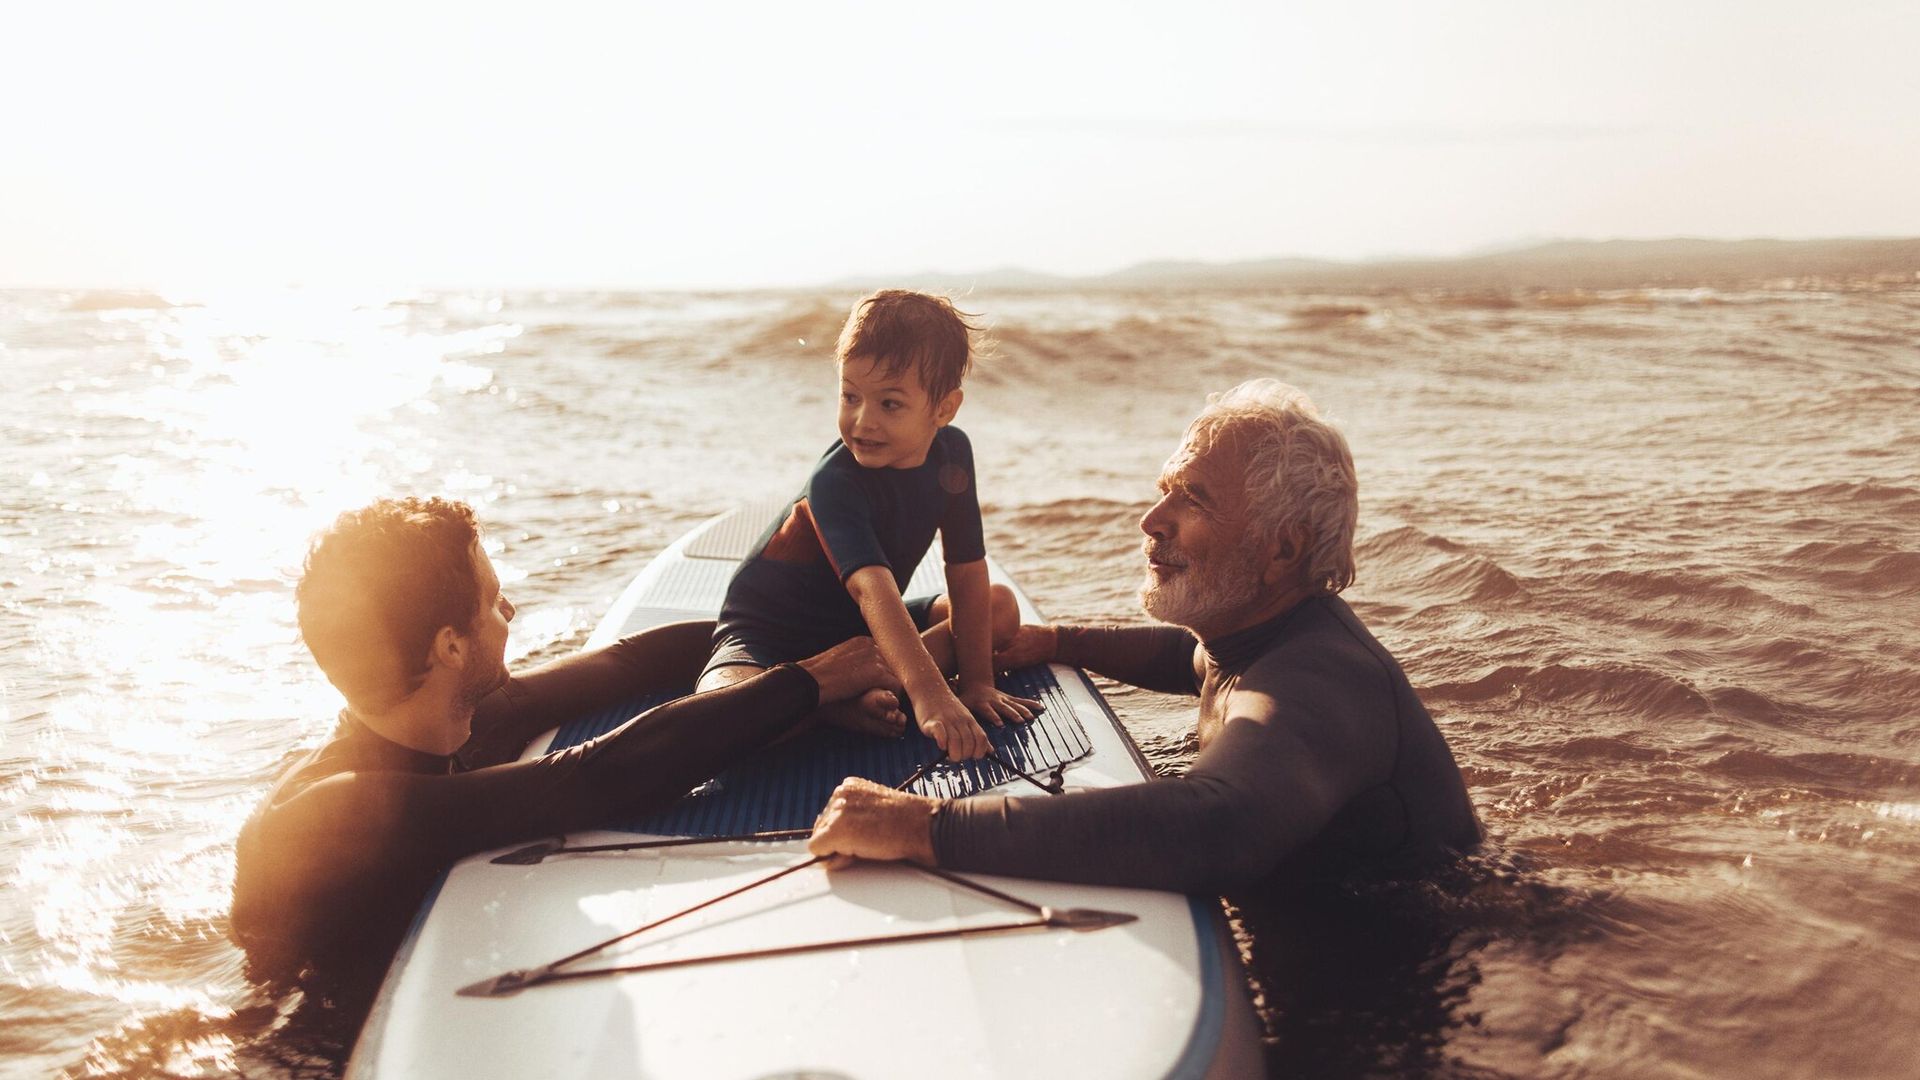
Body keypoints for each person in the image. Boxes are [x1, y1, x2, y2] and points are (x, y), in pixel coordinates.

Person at [808, 380, 1481, 891]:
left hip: (1407, 994)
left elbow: (1219, 824)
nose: (1151, 520)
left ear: (1283, 549)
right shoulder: (1266, 641)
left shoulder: (1320, 680)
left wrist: (923, 826)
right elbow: (1193, 663)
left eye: (1193, 500)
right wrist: (1059, 642)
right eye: (1166, 490)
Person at [229, 496, 900, 979]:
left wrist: (813, 657)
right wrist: (808, 682)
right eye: (492, 600)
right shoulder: (331, 812)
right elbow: (596, 777)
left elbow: (630, 664)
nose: (509, 610)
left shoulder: (445, 721)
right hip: (303, 1043)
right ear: (451, 645)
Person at [696, 290, 1038, 761]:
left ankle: (850, 693)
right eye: (850, 396)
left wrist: (977, 683)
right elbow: (873, 590)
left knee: (998, 606)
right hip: (770, 642)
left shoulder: (953, 453)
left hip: (863, 637)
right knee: (717, 713)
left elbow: (966, 569)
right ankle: (828, 707)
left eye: (889, 404)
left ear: (943, 409)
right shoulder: (834, 481)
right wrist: (931, 695)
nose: (862, 421)